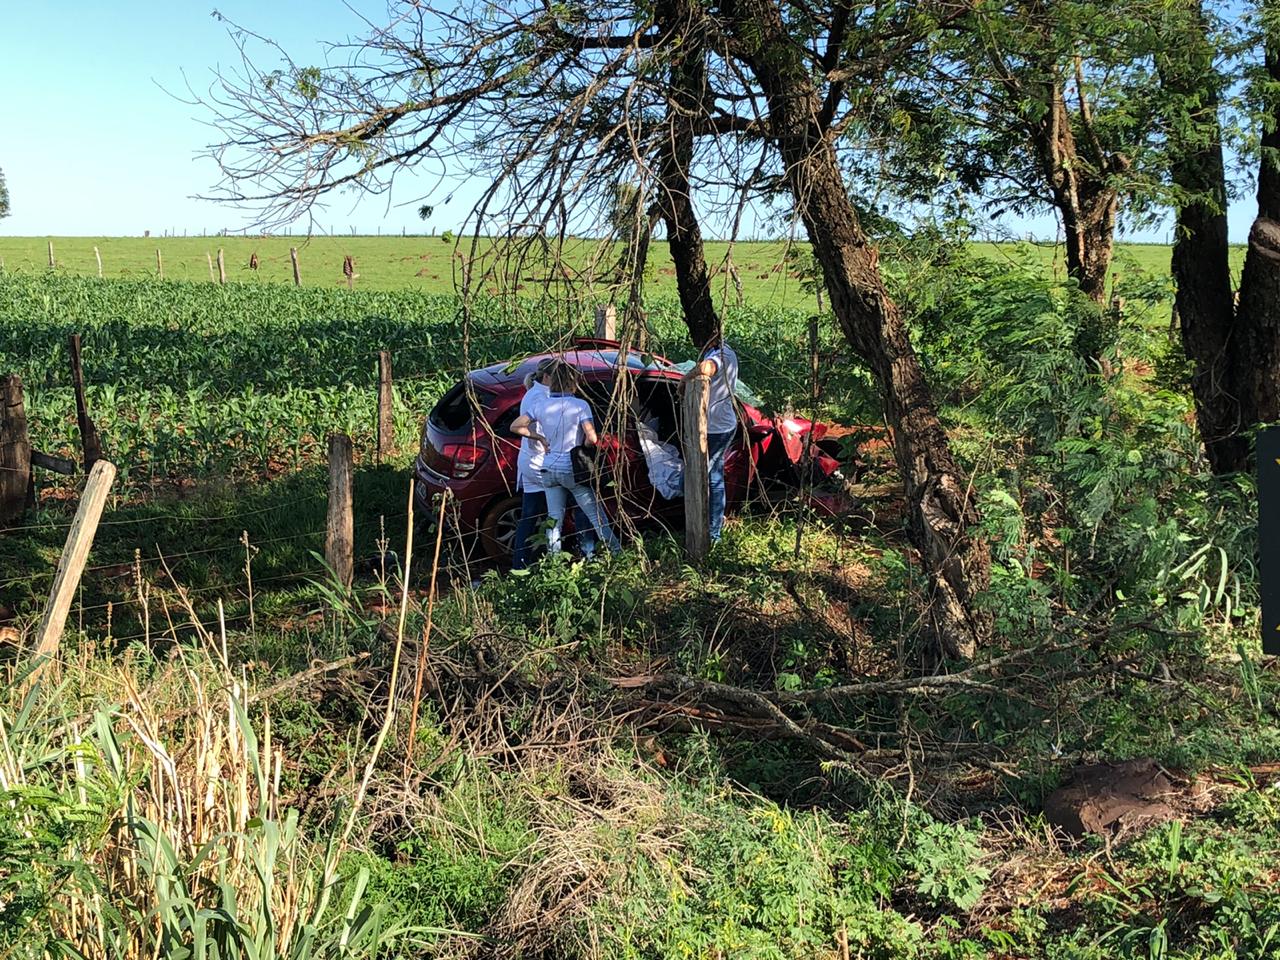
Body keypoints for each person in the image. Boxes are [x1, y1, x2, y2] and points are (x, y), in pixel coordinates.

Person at [512, 361, 621, 558]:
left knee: (554, 520)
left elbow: (516, 426)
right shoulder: (580, 405)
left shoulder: (542, 405)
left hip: (548, 468)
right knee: (596, 516)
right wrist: (585, 447)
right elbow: (592, 438)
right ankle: (616, 553)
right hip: (571, 467)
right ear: (573, 383)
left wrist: (540, 438)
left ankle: (554, 563)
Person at [684, 330, 739, 543]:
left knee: (698, 476)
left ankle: (708, 532)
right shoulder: (726, 353)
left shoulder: (720, 355)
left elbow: (706, 370)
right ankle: (713, 530)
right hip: (719, 425)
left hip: (716, 427)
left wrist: (683, 381)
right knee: (714, 477)